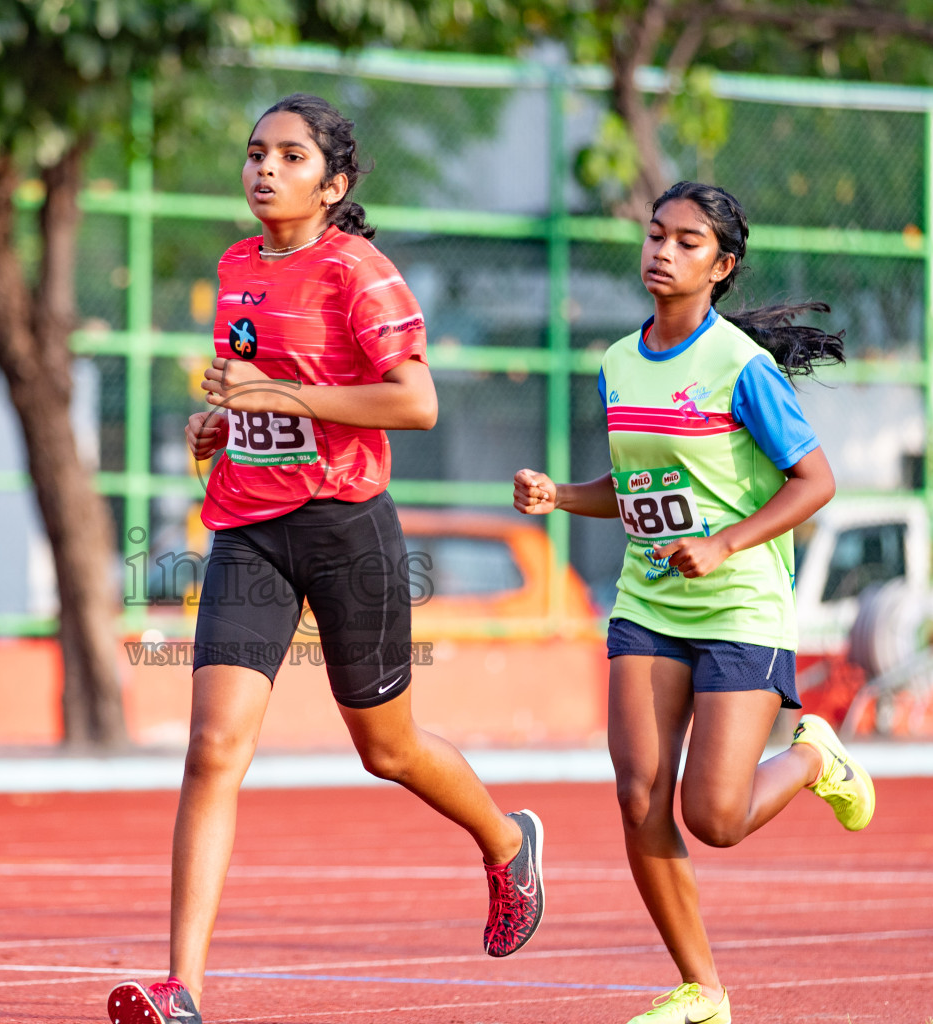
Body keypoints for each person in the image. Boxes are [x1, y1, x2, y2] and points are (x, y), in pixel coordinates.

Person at [107, 93, 546, 1024]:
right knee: (212, 748)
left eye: (291, 156)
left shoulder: (360, 271)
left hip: (347, 531)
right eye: (256, 151)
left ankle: (507, 841)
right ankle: (181, 988)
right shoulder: (233, 267)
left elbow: (415, 405)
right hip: (247, 528)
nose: (264, 168)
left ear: (333, 184)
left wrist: (282, 395)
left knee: (385, 748)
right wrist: (226, 423)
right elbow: (264, 391)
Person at [513, 181, 875, 1024]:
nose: (663, 252)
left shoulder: (741, 369)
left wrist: (724, 543)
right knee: (638, 793)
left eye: (686, 241)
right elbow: (640, 487)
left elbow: (815, 482)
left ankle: (817, 757)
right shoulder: (617, 362)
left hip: (741, 606)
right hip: (647, 602)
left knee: (713, 816)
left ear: (723, 265)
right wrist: (562, 496)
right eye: (655, 235)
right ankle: (701, 990)